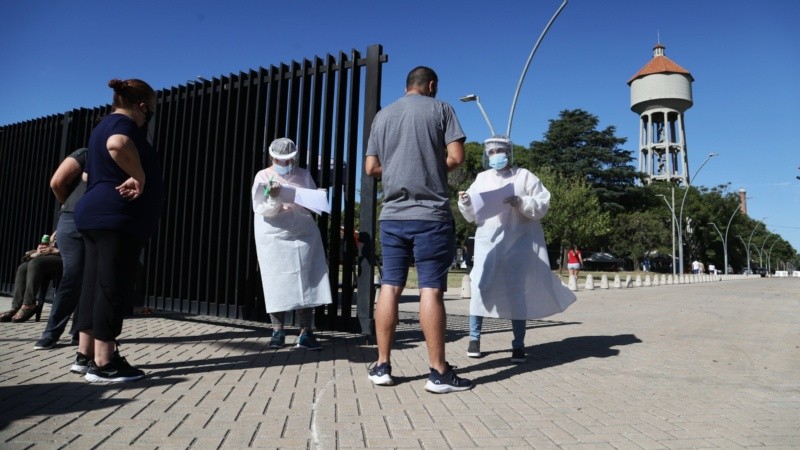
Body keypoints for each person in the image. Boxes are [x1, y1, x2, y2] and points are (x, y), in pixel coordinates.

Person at [364, 66, 472, 393]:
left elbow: (370, 167)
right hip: (430, 216)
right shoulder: (441, 109)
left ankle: (382, 365)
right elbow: (457, 157)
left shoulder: (383, 116)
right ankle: (438, 372)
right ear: (432, 85)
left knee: (390, 286)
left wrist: (398, 168)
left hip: (392, 216)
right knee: (430, 289)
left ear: (407, 85)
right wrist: (429, 166)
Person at [72, 78, 164, 383]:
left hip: (94, 212)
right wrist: (140, 176)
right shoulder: (123, 126)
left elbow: (87, 175)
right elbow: (118, 145)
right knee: (112, 285)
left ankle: (85, 354)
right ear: (142, 106)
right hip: (116, 216)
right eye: (151, 108)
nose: (149, 115)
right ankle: (105, 362)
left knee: (93, 285)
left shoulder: (101, 126)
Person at [458, 136, 576, 362]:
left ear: (509, 152)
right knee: (481, 287)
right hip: (489, 243)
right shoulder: (482, 178)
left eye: (500, 150)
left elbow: (542, 203)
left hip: (519, 243)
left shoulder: (525, 176)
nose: (496, 155)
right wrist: (465, 201)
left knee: (516, 293)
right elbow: (472, 212)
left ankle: (518, 345)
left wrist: (521, 202)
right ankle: (474, 339)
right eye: (491, 152)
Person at [251, 137, 332, 351]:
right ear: (272, 157)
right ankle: (277, 331)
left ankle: (305, 333)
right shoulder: (263, 176)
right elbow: (260, 208)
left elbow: (312, 202)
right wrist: (274, 197)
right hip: (274, 236)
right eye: (280, 159)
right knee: (276, 281)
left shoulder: (304, 175)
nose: (284, 163)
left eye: (288, 159)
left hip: (303, 233)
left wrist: (314, 199)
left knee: (307, 280)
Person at [34, 148, 88, 349]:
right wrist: (68, 205)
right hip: (73, 220)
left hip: (97, 222)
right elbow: (56, 182)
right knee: (72, 276)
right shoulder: (85, 154)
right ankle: (51, 333)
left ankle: (80, 333)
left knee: (89, 279)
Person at [1, 233, 62, 323]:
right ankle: (16, 306)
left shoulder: (77, 227)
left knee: (35, 263)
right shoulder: (59, 229)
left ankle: (29, 304)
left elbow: (79, 249)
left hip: (66, 259)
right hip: (50, 257)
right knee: (23, 267)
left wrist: (56, 250)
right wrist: (38, 252)